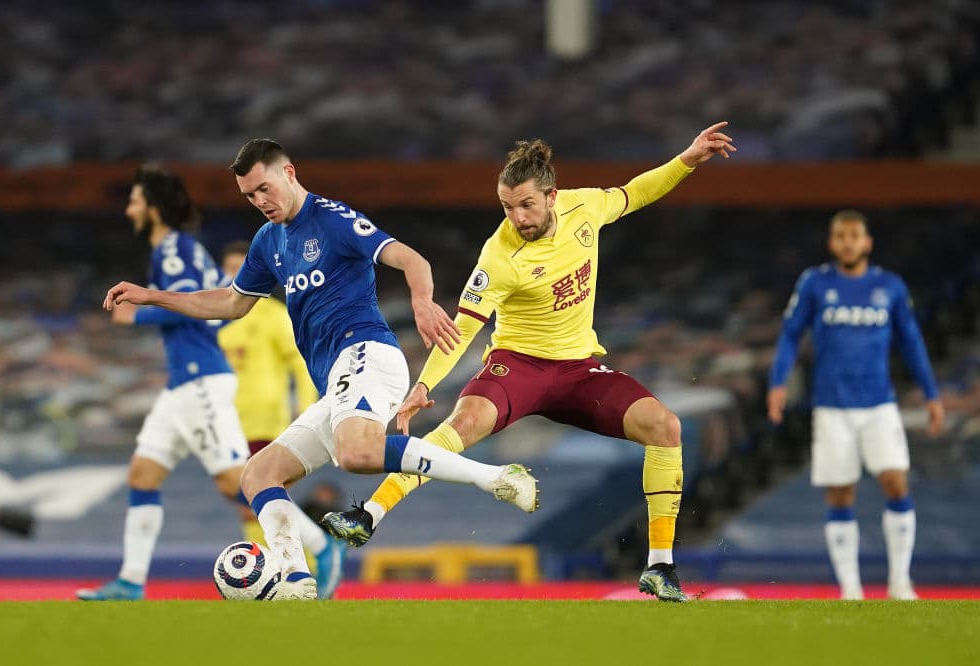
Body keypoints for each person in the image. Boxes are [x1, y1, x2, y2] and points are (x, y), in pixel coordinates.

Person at [104, 139, 540, 601]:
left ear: (289, 173)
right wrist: (155, 296)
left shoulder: (332, 219)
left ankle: (494, 478)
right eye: (250, 196)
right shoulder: (268, 241)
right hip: (337, 381)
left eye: (265, 189)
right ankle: (296, 579)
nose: (260, 202)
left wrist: (421, 301)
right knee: (258, 476)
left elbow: (411, 259)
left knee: (357, 453)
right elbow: (231, 303)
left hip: (369, 353)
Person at [322, 122, 738, 602]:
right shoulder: (499, 255)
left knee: (665, 427)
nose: (517, 217)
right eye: (506, 206)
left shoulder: (584, 207)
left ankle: (660, 568)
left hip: (579, 370)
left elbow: (635, 192)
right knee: (460, 427)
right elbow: (464, 326)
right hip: (517, 368)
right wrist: (423, 385)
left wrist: (687, 157)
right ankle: (368, 515)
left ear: (551, 195)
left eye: (525, 205)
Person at [78, 166, 252, 601]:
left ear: (154, 209)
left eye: (135, 200)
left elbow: (188, 306)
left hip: (200, 381)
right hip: (183, 386)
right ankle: (131, 582)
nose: (129, 208)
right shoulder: (189, 250)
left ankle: (319, 547)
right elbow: (213, 307)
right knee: (142, 474)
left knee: (236, 484)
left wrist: (138, 312)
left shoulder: (172, 250)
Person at [766, 210, 944, 600]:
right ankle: (851, 588)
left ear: (867, 242)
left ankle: (900, 581)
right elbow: (790, 335)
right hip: (831, 406)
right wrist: (778, 382)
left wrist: (931, 393)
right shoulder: (815, 283)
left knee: (896, 481)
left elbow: (911, 341)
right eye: (840, 236)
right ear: (832, 243)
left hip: (879, 403)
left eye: (854, 236)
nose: (848, 242)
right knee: (840, 493)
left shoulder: (890, 286)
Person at [217, 241, 348, 599]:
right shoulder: (221, 323)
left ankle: (311, 555)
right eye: (227, 269)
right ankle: (273, 576)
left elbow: (299, 362)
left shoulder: (274, 315)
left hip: (265, 418)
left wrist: (306, 406)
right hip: (228, 423)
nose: (232, 276)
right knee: (244, 498)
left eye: (238, 268)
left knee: (255, 489)